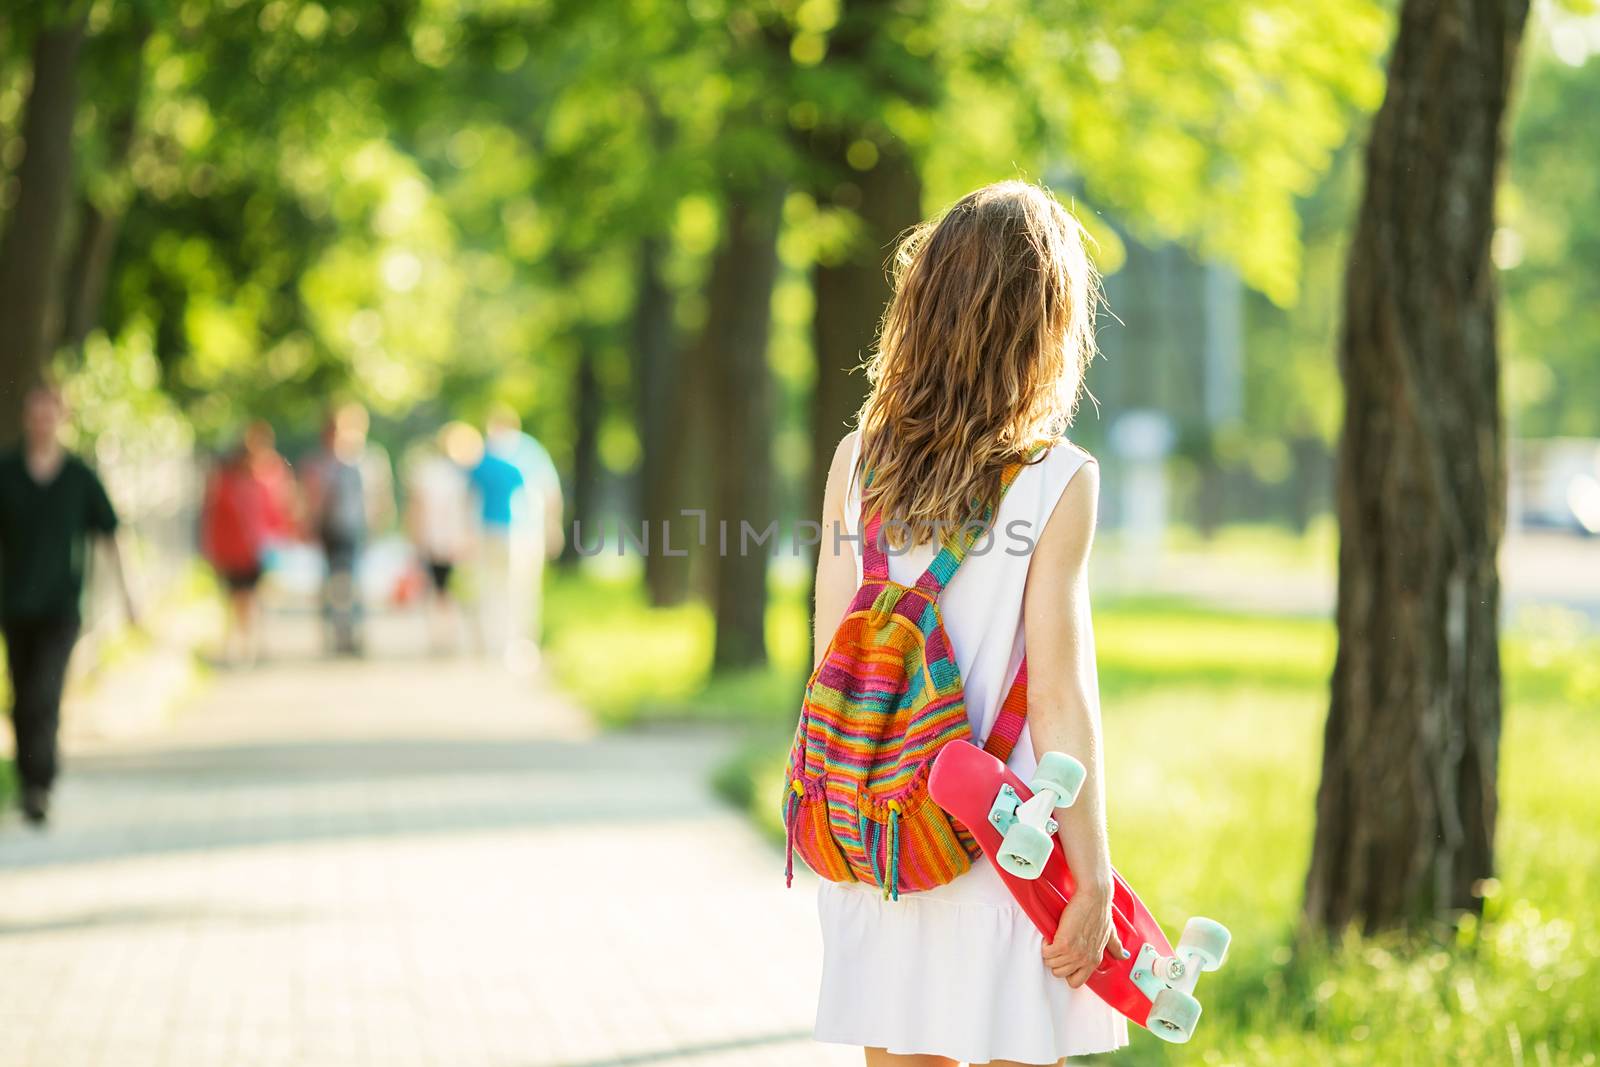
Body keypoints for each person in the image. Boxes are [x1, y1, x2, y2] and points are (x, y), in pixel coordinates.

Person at [806, 182, 1128, 1065]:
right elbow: (1060, 691)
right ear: (1048, 322)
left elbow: (832, 656)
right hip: (1006, 847)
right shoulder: (1057, 476)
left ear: (925, 300)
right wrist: (1092, 871)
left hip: (885, 828)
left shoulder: (858, 460)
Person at [0, 385, 138, 826]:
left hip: (61, 606)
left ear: (62, 419)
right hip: (15, 603)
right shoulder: (6, 472)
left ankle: (41, 781)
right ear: (26, 419)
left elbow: (111, 533)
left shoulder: (79, 476)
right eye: (34, 414)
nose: (41, 423)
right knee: (22, 698)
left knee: (46, 690)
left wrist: (132, 595)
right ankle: (27, 782)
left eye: (49, 415)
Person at [199, 422, 294, 665]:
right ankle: (237, 646)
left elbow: (278, 512)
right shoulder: (225, 482)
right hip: (232, 551)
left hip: (260, 551)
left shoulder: (269, 476)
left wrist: (282, 537)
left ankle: (254, 645)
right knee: (236, 599)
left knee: (256, 598)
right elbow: (214, 518)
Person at [302, 404, 392, 656]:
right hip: (329, 529)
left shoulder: (370, 460)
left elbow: (380, 497)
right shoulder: (321, 462)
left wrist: (378, 524)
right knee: (330, 583)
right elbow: (312, 497)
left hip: (357, 529)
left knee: (356, 583)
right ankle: (334, 635)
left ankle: (355, 635)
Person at [484, 405, 563, 651]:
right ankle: (512, 641)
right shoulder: (529, 451)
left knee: (505, 588)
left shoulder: (492, 454)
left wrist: (552, 528)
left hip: (513, 531)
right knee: (517, 588)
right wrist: (553, 528)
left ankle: (506, 641)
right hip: (515, 532)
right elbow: (552, 494)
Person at [405, 422, 478, 653]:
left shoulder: (448, 473)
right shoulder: (457, 475)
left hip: (446, 541)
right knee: (444, 589)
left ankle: (443, 635)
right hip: (443, 541)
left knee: (442, 589)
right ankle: (444, 635)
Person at [468, 428, 530, 669]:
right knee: (512, 589)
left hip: (486, 533)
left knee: (487, 587)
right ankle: (511, 642)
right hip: (512, 533)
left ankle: (486, 641)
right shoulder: (516, 467)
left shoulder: (480, 465)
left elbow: (470, 500)